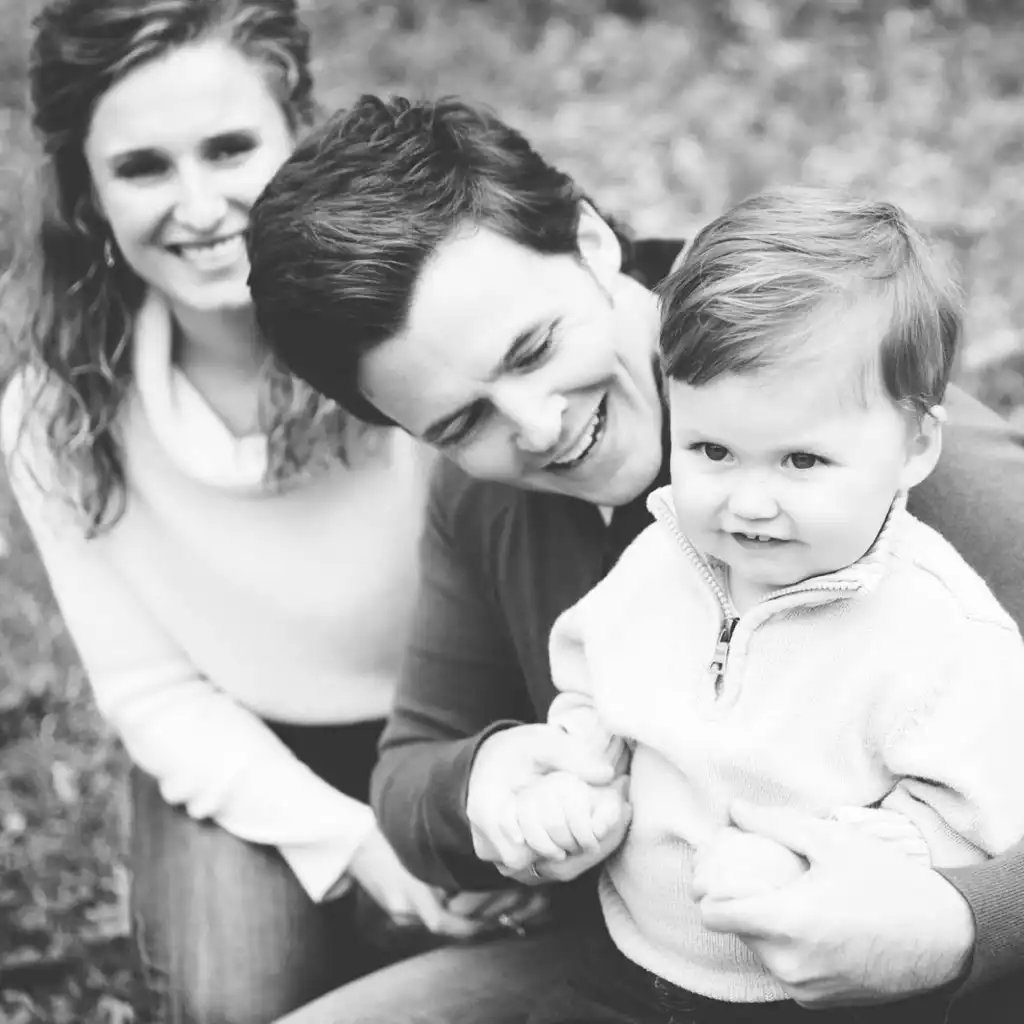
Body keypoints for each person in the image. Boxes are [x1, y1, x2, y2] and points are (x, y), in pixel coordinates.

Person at [245, 97, 1024, 1023]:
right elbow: (411, 768)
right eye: (462, 421)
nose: (538, 426)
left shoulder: (888, 458)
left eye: (535, 348)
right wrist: (485, 784)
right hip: (620, 962)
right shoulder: (485, 498)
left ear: (590, 241)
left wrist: (960, 925)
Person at [1, 12, 537, 1024]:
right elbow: (154, 691)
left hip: (471, 719)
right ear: (86, 190)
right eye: (143, 167)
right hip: (250, 744)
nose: (200, 206)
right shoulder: (55, 412)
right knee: (230, 999)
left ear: (299, 132)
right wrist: (362, 848)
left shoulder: (412, 333)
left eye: (230, 148)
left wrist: (486, 798)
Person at [493, 187, 1024, 1024]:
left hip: (814, 996)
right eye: (711, 450)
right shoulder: (661, 557)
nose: (747, 503)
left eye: (801, 462)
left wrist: (828, 862)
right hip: (624, 959)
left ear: (916, 445)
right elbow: (594, 683)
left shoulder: (943, 635)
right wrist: (577, 773)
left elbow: (972, 815)